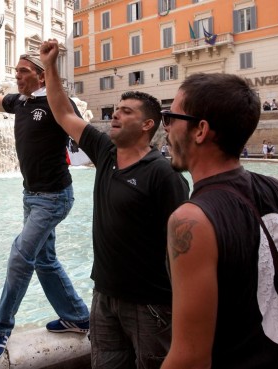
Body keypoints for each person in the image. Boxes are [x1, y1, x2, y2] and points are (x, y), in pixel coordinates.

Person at [161, 73, 278, 369]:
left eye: (171, 117)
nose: (167, 128)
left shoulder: (190, 220)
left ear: (200, 130)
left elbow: (190, 358)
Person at [40, 39, 189, 369]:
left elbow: (184, 248)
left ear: (147, 124)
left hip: (151, 304)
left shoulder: (163, 176)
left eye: (127, 111)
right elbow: (63, 112)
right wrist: (50, 66)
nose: (116, 115)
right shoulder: (105, 151)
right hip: (104, 296)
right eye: (117, 109)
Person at [0, 41, 90, 362]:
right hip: (31, 196)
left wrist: (51, 67)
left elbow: (79, 133)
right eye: (18, 71)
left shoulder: (55, 101)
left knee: (21, 256)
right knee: (44, 259)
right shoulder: (19, 102)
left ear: (39, 75)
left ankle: (1, 327)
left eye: (23, 71)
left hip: (54, 197)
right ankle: (77, 316)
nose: (17, 76)